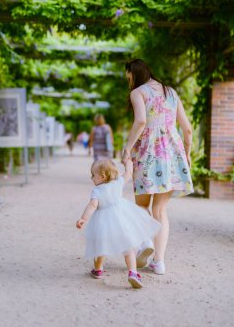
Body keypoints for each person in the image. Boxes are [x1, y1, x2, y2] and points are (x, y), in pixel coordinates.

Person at [122, 59, 194, 275]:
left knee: (142, 205)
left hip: (148, 154)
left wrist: (127, 148)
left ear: (134, 74)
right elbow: (187, 129)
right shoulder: (171, 92)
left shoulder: (139, 93)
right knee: (160, 210)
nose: (129, 83)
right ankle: (159, 262)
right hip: (172, 155)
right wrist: (187, 155)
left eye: (129, 78)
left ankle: (145, 243)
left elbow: (141, 121)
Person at [76, 159, 161, 289]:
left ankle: (98, 270)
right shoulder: (117, 183)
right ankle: (133, 273)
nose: (91, 177)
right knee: (129, 249)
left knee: (101, 247)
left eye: (93, 175)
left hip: (104, 224)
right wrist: (128, 163)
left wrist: (83, 218)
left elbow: (92, 205)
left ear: (102, 176)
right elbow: (128, 173)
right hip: (122, 221)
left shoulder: (97, 191)